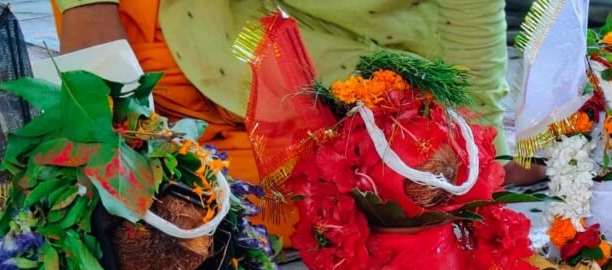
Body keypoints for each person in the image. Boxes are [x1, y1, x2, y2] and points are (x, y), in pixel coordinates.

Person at [53, 1, 544, 194]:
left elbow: (473, 22)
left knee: (353, 199)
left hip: (372, 75)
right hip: (226, 43)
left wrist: (482, 148)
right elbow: (90, 30)